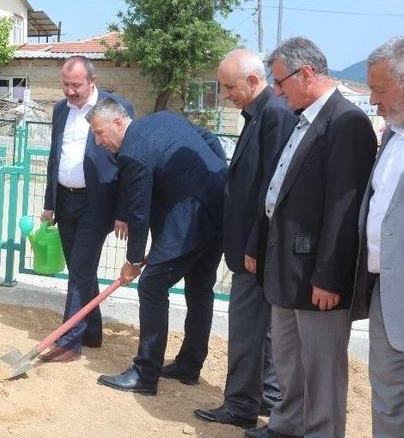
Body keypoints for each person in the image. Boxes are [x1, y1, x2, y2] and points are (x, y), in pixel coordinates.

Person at [244, 37, 376, 438]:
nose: (276, 90)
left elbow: (344, 209)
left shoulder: (347, 122)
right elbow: (278, 190)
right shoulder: (302, 119)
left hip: (318, 276)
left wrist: (329, 277)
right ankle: (286, 427)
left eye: (280, 81)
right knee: (288, 360)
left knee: (321, 370)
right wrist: (257, 244)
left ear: (306, 73)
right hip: (286, 268)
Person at [90, 101, 227, 396]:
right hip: (220, 206)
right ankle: (189, 366)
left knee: (152, 286)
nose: (99, 142)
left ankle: (145, 374)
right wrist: (215, 176)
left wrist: (133, 261)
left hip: (191, 219)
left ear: (118, 123)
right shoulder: (163, 118)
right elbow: (209, 140)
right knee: (200, 287)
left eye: (100, 133)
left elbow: (139, 212)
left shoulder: (131, 152)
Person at [194, 49, 295, 428]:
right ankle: (266, 397)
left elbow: (272, 189)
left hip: (256, 251)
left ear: (253, 81)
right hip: (252, 247)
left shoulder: (275, 115)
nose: (225, 95)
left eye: (229, 87)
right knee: (261, 331)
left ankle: (240, 406)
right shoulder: (261, 113)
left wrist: (255, 244)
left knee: (246, 330)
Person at [38, 56, 135, 363]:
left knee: (80, 267)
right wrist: (49, 203)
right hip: (65, 201)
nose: (70, 91)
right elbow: (55, 156)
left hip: (97, 203)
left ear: (92, 81)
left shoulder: (115, 107)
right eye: (65, 84)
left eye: (76, 85)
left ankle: (69, 341)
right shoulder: (60, 110)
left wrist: (123, 211)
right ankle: (92, 331)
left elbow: (127, 163)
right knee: (81, 269)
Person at [350, 36, 404, 437]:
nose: (372, 100)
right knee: (387, 396)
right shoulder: (391, 136)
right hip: (386, 292)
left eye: (379, 89)